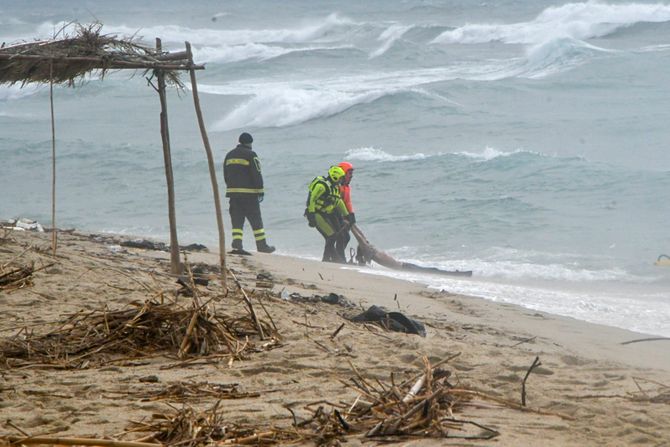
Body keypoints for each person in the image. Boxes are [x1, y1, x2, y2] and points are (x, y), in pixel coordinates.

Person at [223, 132, 275, 254]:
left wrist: (231, 188)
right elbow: (256, 173)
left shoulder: (229, 155)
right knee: (256, 221)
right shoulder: (251, 155)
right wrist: (260, 190)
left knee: (237, 220)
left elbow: (225, 174)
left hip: (234, 194)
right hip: (249, 195)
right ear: (250, 143)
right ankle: (262, 246)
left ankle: (237, 244)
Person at [304, 165, 355, 263]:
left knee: (334, 236)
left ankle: (329, 259)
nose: (341, 180)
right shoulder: (322, 186)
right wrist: (311, 216)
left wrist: (348, 215)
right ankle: (327, 260)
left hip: (325, 214)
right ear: (335, 176)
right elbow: (312, 200)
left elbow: (339, 202)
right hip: (316, 214)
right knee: (331, 236)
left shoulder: (334, 188)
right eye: (340, 178)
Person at [337, 161, 356, 260]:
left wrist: (351, 214)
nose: (351, 176)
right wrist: (344, 216)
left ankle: (337, 257)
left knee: (345, 237)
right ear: (343, 173)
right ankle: (338, 258)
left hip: (341, 215)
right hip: (333, 214)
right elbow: (337, 202)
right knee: (343, 237)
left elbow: (347, 202)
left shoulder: (346, 187)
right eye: (349, 173)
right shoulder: (337, 186)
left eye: (352, 173)